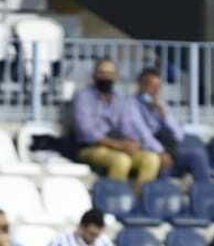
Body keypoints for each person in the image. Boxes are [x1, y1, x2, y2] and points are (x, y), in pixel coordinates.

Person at [70, 58, 167, 186]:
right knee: (121, 161)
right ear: (94, 75)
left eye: (110, 73)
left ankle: (139, 196)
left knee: (151, 159)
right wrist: (118, 145)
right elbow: (87, 132)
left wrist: (133, 143)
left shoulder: (119, 99)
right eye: (102, 73)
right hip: (91, 147)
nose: (106, 77)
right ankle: (114, 197)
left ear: (115, 77)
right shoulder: (83, 97)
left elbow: (127, 127)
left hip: (118, 145)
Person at [131, 65, 183, 159]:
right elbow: (143, 133)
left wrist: (164, 114)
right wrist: (161, 152)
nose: (156, 90)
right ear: (140, 85)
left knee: (195, 154)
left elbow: (178, 135)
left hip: (166, 146)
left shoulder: (160, 104)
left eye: (158, 86)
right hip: (144, 147)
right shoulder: (131, 104)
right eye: (151, 86)